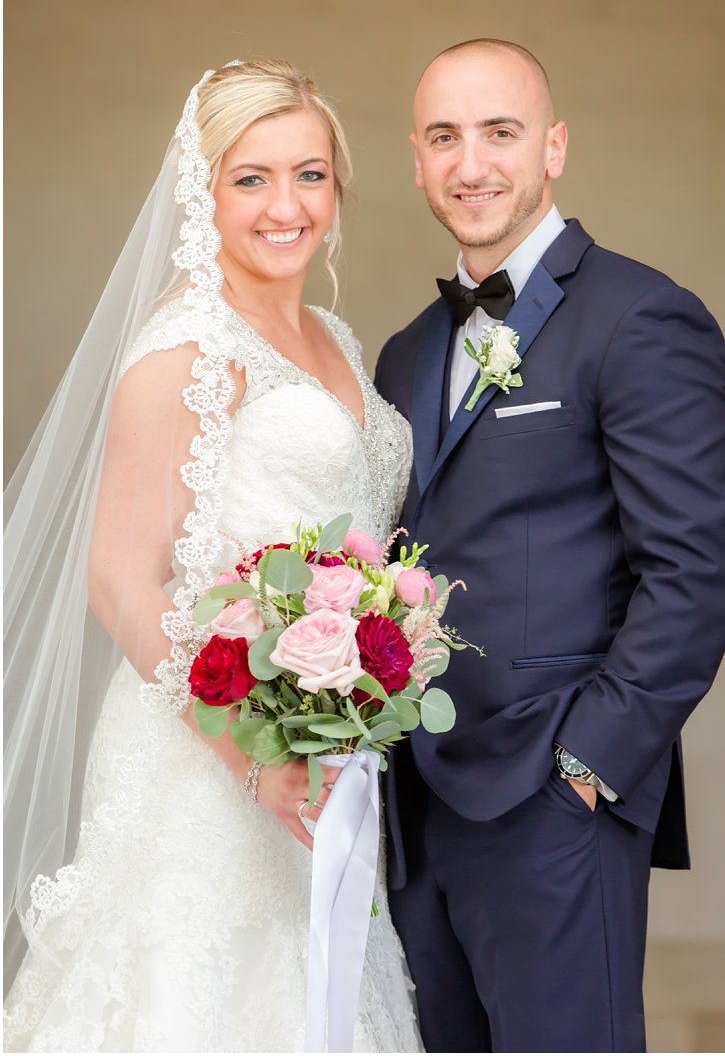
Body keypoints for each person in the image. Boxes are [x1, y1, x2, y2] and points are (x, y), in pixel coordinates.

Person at [3, 60, 421, 1050]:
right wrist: (251, 756)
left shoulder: (332, 334)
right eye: (252, 178)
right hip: (204, 768)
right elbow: (120, 577)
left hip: (325, 761)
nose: (286, 205)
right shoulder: (183, 350)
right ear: (203, 190)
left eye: (310, 174)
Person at [374, 38, 725, 1053]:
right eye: (445, 137)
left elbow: (695, 568)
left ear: (554, 147)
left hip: (553, 794)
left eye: (501, 131)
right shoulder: (406, 349)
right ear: (415, 158)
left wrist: (589, 763)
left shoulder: (641, 316)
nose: (472, 163)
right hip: (413, 798)